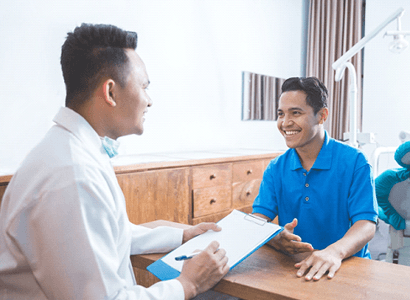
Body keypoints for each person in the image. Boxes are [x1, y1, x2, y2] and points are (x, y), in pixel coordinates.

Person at [0, 23, 229, 300]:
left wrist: (182, 236)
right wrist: (187, 284)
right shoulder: (73, 175)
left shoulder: (75, 151)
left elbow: (110, 236)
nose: (149, 100)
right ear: (110, 92)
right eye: (144, 86)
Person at [252, 77, 378, 281]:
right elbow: (258, 218)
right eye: (281, 114)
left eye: (296, 113)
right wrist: (274, 237)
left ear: (322, 115)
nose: (285, 123)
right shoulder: (276, 167)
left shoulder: (355, 162)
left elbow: (366, 224)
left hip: (346, 267)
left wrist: (334, 252)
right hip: (295, 266)